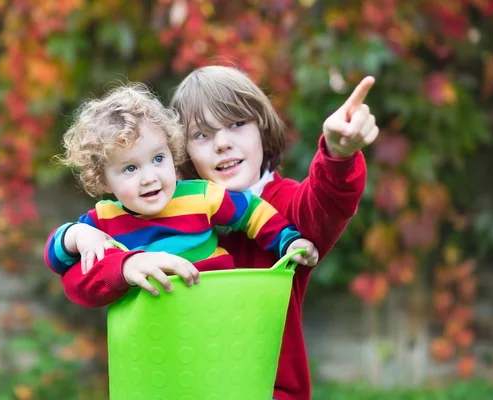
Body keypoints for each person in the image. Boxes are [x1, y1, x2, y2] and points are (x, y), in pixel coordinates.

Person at [47, 66, 377, 400]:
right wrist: (101, 251)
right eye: (202, 134)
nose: (222, 143)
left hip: (266, 390)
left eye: (237, 124)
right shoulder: (151, 214)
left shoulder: (283, 206)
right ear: (181, 151)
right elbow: (78, 276)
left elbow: (327, 203)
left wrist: (338, 154)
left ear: (262, 128)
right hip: (175, 385)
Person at [44, 83, 319, 305]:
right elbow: (59, 261)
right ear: (103, 179)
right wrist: (77, 235)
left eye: (158, 158)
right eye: (130, 168)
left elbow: (251, 211)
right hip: (160, 337)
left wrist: (288, 240)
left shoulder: (200, 197)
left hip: (221, 312)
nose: (150, 177)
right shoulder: (104, 222)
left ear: (173, 153)